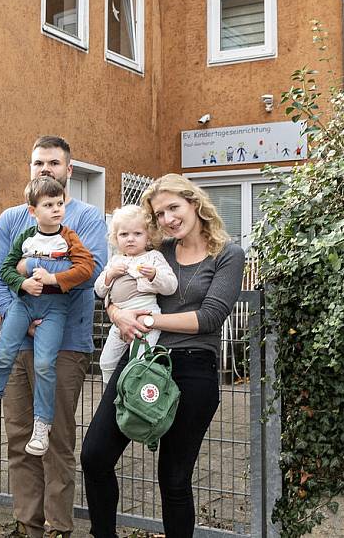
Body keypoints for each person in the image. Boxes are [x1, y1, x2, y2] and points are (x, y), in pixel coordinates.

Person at [80, 174, 245, 538]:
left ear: (194, 203)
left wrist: (149, 318)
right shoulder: (160, 251)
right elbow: (117, 289)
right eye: (160, 213)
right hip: (141, 360)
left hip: (192, 369)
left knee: (173, 478)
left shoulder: (228, 255)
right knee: (94, 455)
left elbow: (210, 317)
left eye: (174, 207)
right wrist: (115, 312)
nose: (169, 219)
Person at [0, 135, 106, 538]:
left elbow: (91, 272)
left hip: (65, 342)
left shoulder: (85, 218)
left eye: (53, 163)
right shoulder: (12, 219)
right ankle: (27, 524)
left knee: (54, 438)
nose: (45, 170)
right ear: (30, 169)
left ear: (68, 171)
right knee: (19, 437)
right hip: (18, 339)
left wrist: (42, 296)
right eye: (38, 163)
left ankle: (58, 526)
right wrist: (17, 311)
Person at [0, 177, 93, 455]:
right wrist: (21, 282)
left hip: (55, 309)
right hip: (23, 304)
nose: (56, 209)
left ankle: (42, 425)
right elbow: (5, 269)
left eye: (60, 203)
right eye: (48, 205)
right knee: (3, 354)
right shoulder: (25, 236)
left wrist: (53, 276)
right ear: (32, 210)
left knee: (44, 364)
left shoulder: (69, 237)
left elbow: (86, 269)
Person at [94, 204, 177, 382]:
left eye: (137, 234)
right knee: (106, 362)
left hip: (145, 318)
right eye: (124, 234)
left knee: (139, 362)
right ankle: (111, 392)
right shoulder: (115, 261)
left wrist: (154, 275)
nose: (130, 239)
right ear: (115, 238)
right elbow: (99, 290)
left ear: (148, 237)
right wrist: (109, 275)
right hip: (119, 321)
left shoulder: (153, 257)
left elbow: (171, 286)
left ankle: (135, 396)